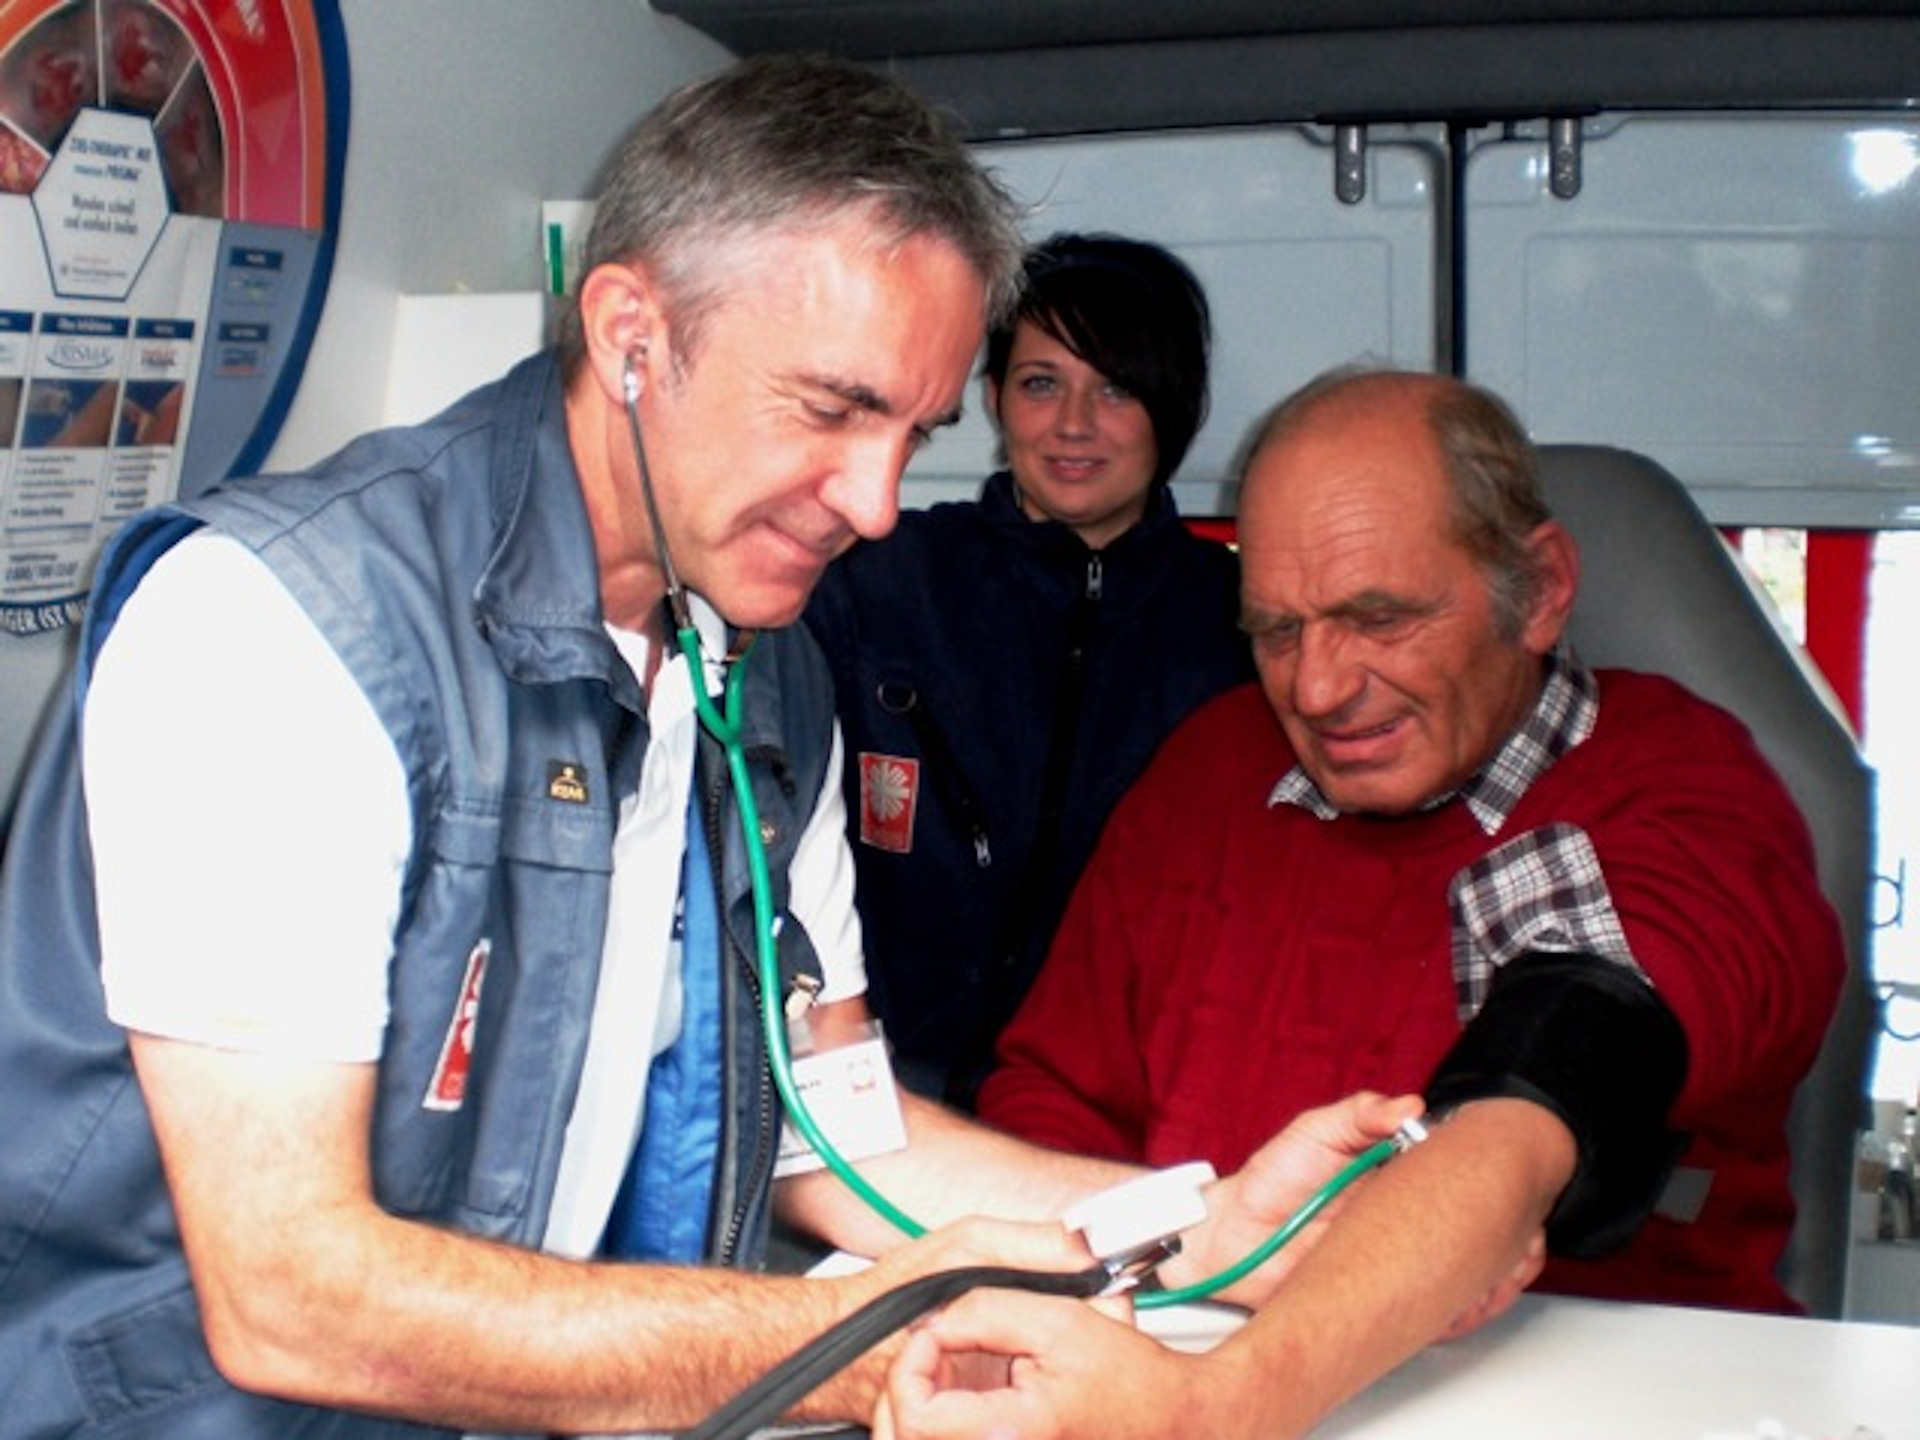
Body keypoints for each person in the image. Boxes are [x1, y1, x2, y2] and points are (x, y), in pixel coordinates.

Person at [0, 57, 1413, 1439]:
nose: (876, 504)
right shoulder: (280, 626)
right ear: (632, 337)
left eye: (913, 431)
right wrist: (857, 1350)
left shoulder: (768, 672)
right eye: (835, 409)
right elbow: (291, 1300)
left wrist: (1202, 1223)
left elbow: (836, 1128)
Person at [973, 369, 1843, 1318]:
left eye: (1379, 619)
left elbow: (1577, 1054)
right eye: (1278, 631)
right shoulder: (1210, 770)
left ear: (1540, 591)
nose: (1317, 690)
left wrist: (1233, 1382)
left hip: (1569, 1365)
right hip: (1188, 1333)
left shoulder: (1683, 785)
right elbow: (1054, 1100)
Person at [806, 232, 1253, 1106]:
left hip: (1124, 1105)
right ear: (992, 398)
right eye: (1041, 383)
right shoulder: (878, 578)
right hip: (896, 1095)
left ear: (1176, 410)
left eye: (1116, 389)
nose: (1074, 425)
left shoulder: (1241, 619)